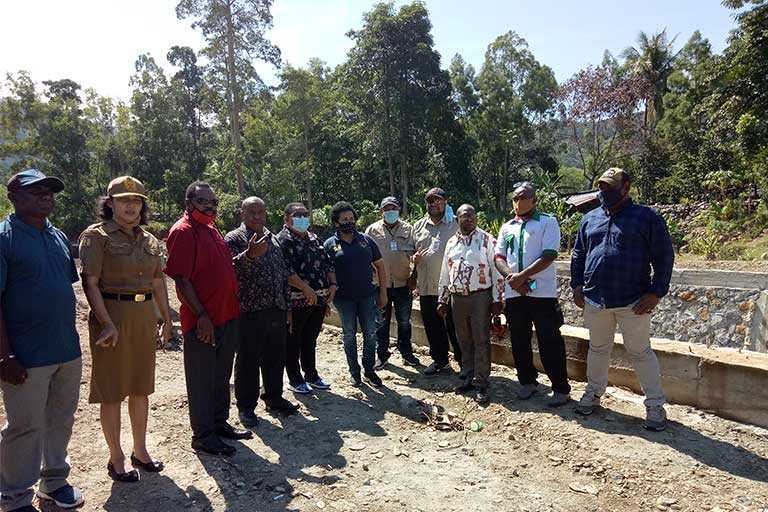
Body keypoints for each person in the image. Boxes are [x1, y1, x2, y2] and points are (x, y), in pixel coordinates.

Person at [0, 169, 85, 511]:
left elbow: (64, 288)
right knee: (24, 426)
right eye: (37, 191)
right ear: (14, 197)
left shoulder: (58, 236)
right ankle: (14, 495)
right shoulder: (5, 238)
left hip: (66, 348)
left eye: (49, 191)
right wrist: (4, 356)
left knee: (61, 419)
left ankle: (53, 481)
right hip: (25, 355)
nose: (46, 195)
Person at [79, 176, 172, 482]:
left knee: (140, 388)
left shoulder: (149, 240)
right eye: (123, 200)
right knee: (112, 391)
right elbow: (90, 283)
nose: (131, 206)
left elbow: (158, 281)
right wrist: (106, 323)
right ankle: (116, 457)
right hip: (113, 316)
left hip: (144, 316)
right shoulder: (97, 237)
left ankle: (141, 451)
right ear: (110, 203)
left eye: (136, 201)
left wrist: (167, 320)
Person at [570, 168, 674, 431]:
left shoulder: (646, 217)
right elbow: (579, 254)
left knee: (640, 351)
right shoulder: (590, 218)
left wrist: (655, 292)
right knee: (598, 348)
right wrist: (577, 286)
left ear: (626, 187)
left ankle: (654, 405)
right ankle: (594, 393)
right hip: (595, 300)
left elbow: (664, 257)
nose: (605, 192)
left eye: (611, 187)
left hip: (633, 301)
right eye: (602, 188)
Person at [164, 181, 251, 457]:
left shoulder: (211, 228)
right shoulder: (183, 231)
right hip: (203, 322)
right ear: (189, 203)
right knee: (202, 380)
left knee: (220, 376)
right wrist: (201, 316)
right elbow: (182, 278)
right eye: (203, 201)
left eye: (213, 201)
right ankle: (203, 435)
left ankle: (219, 423)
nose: (210, 205)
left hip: (227, 316)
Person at [494, 182, 572, 407]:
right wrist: (513, 278)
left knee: (550, 341)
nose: (519, 202)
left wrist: (522, 276)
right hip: (514, 294)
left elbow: (549, 254)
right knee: (519, 340)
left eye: (524, 198)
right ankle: (527, 382)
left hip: (542, 294)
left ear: (534, 200)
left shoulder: (547, 222)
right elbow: (499, 257)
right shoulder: (507, 226)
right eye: (516, 198)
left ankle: (560, 388)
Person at [224, 197, 300, 426]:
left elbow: (282, 273)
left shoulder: (272, 237)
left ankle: (274, 397)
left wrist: (286, 308)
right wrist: (248, 256)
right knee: (248, 360)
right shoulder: (234, 238)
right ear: (242, 214)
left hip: (276, 309)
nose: (257, 216)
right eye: (251, 212)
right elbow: (228, 272)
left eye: (261, 212)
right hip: (250, 311)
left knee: (275, 358)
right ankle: (246, 407)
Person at [437, 204, 503, 405]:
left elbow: (496, 269)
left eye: (472, 215)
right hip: (457, 298)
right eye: (464, 216)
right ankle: (467, 375)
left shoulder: (486, 239)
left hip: (479, 297)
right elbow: (445, 272)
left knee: (481, 339)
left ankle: (481, 382)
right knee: (463, 338)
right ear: (457, 219)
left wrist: (497, 299)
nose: (469, 219)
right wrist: (442, 298)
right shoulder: (451, 242)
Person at [323, 202, 388, 387]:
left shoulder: (366, 241)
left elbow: (381, 267)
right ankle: (355, 373)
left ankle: (369, 370)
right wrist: (327, 299)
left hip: (367, 296)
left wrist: (383, 292)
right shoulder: (330, 245)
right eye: (344, 219)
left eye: (351, 218)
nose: (349, 222)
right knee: (349, 335)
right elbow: (326, 272)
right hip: (344, 300)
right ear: (336, 222)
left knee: (370, 334)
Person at [277, 203, 336, 394]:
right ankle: (295, 378)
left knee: (311, 338)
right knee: (293, 340)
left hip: (319, 299)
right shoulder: (282, 240)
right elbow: (286, 271)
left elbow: (326, 263)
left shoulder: (313, 237)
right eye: (297, 215)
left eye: (305, 214)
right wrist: (306, 289)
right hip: (296, 300)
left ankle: (311, 374)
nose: (302, 218)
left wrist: (332, 285)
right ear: (287, 219)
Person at [365, 197, 421, 369]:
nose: (390, 212)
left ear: (399, 210)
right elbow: (365, 256)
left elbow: (416, 254)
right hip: (380, 285)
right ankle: (382, 355)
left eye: (394, 208)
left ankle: (406, 352)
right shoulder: (372, 230)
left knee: (404, 321)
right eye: (387, 209)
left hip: (403, 283)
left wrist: (414, 277)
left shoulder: (409, 229)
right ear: (381, 211)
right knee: (381, 322)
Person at [412, 187, 462, 375]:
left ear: (445, 201)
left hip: (450, 287)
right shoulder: (418, 227)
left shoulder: (455, 224)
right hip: (426, 286)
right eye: (430, 200)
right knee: (432, 327)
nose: (434, 203)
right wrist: (413, 261)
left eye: (438, 200)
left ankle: (464, 364)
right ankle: (440, 361)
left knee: (455, 328)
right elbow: (411, 253)